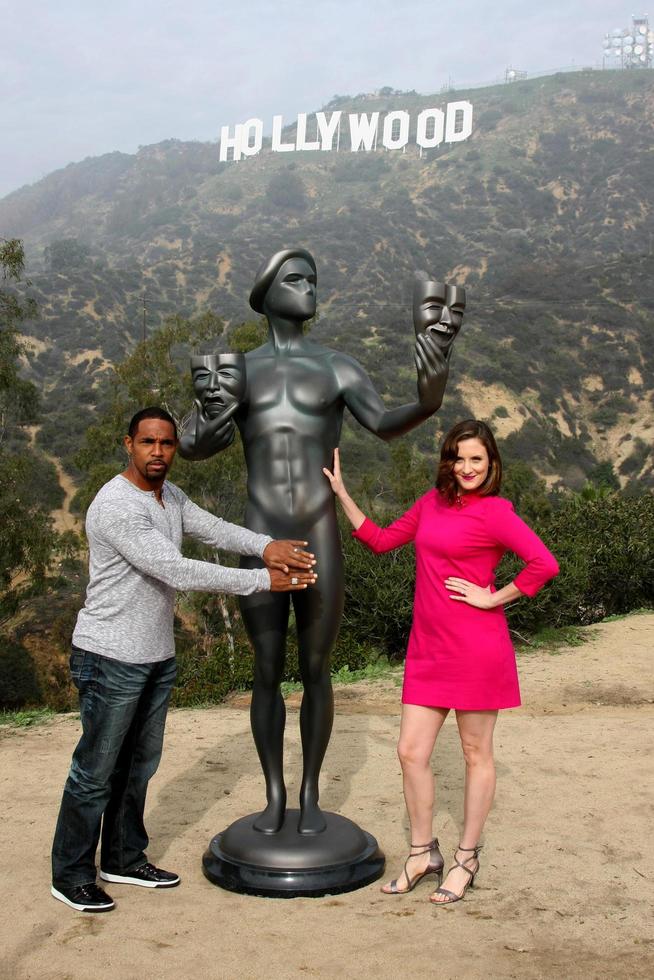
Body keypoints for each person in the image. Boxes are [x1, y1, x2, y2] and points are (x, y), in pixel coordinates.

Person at [180, 248, 456, 837]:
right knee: (264, 668)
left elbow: (383, 423)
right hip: (259, 532)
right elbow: (196, 446)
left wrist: (431, 394)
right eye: (296, 279)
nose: (309, 289)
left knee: (315, 667)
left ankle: (310, 794)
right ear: (267, 294)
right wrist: (206, 419)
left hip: (317, 529)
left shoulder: (338, 367)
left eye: (313, 280)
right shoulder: (240, 369)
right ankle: (274, 794)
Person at [51, 406, 317, 913]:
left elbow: (213, 528)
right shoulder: (117, 506)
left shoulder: (168, 496)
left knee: (138, 767)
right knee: (95, 771)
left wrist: (265, 546)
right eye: (148, 443)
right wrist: (265, 579)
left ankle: (124, 858)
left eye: (166, 444)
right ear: (127, 444)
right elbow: (175, 569)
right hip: (109, 656)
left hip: (154, 655)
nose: (158, 452)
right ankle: (71, 874)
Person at [323, 419, 559, 905]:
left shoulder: (495, 513)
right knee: (411, 752)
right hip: (428, 650)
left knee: (476, 755)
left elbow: (544, 564)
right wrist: (342, 493)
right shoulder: (431, 504)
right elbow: (383, 540)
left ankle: (466, 859)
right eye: (460, 458)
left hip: (476, 650)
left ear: (491, 463)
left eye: (478, 458)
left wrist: (495, 598)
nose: (468, 467)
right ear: (448, 461)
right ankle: (421, 853)